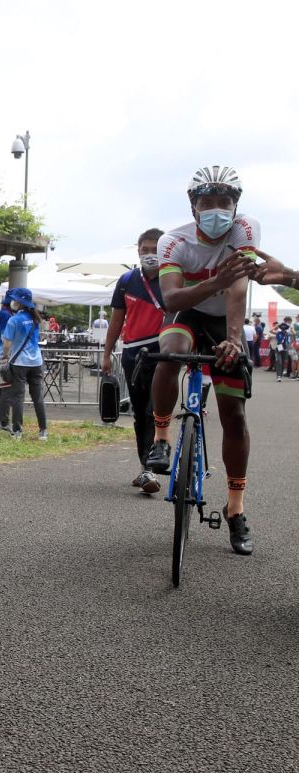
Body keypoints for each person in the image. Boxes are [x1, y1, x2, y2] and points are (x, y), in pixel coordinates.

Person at [144, 165, 257, 556]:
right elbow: (173, 299)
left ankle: (235, 509)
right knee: (170, 353)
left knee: (234, 415)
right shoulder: (173, 242)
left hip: (224, 318)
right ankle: (161, 438)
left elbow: (238, 288)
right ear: (193, 208)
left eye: (224, 203)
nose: (216, 210)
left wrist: (232, 340)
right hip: (187, 312)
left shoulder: (244, 230)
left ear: (235, 206)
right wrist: (214, 281)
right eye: (206, 203)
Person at [102, 228, 166, 494]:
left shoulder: (175, 279)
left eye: (155, 249)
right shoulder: (127, 280)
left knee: (156, 409)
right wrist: (106, 354)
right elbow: (117, 319)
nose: (150, 254)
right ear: (137, 251)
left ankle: (153, 465)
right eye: (145, 250)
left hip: (164, 352)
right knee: (140, 413)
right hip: (133, 354)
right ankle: (145, 467)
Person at [2, 287, 48, 440]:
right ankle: (43, 431)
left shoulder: (14, 320)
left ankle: (17, 430)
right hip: (36, 362)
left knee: (17, 397)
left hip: (20, 362)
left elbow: (7, 343)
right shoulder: (35, 318)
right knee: (37, 398)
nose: (13, 302)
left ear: (19, 302)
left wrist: (5, 356)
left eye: (15, 299)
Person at [0, 290, 15, 430]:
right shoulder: (6, 315)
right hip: (3, 355)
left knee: (1, 389)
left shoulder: (3, 313)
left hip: (0, 354)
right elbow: (7, 338)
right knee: (6, 389)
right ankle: (4, 422)